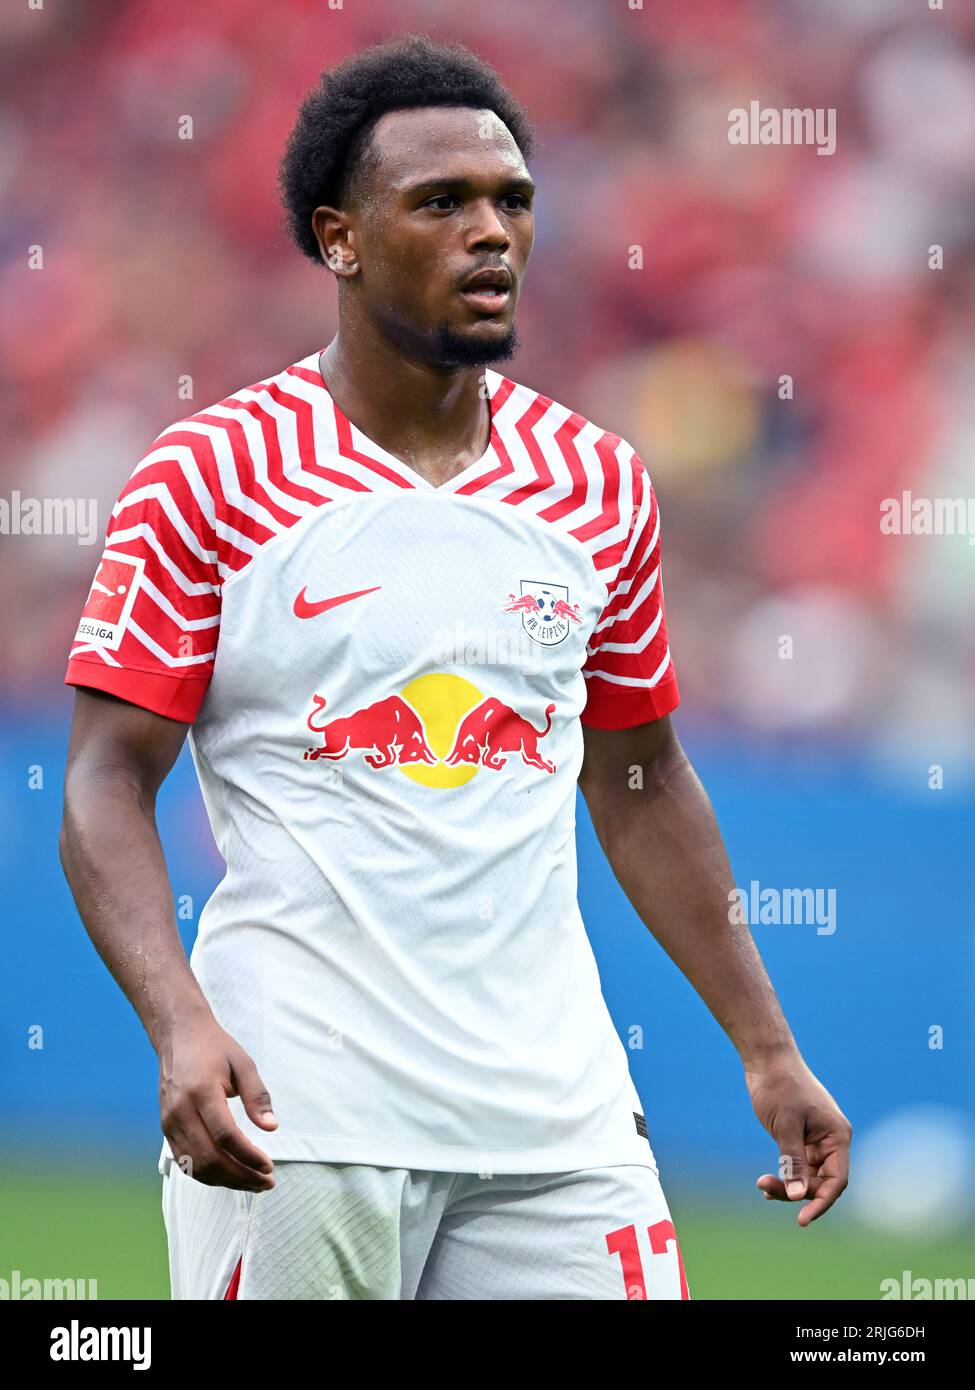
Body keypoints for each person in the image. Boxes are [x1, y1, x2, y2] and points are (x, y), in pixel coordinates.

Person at [60, 34, 850, 1301]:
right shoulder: (209, 477)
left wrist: (768, 1047)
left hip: (559, 1120)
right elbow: (106, 781)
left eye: (513, 201)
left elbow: (642, 780)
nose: (492, 232)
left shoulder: (596, 484)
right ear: (341, 239)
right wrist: (180, 1024)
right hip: (303, 1111)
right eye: (442, 203)